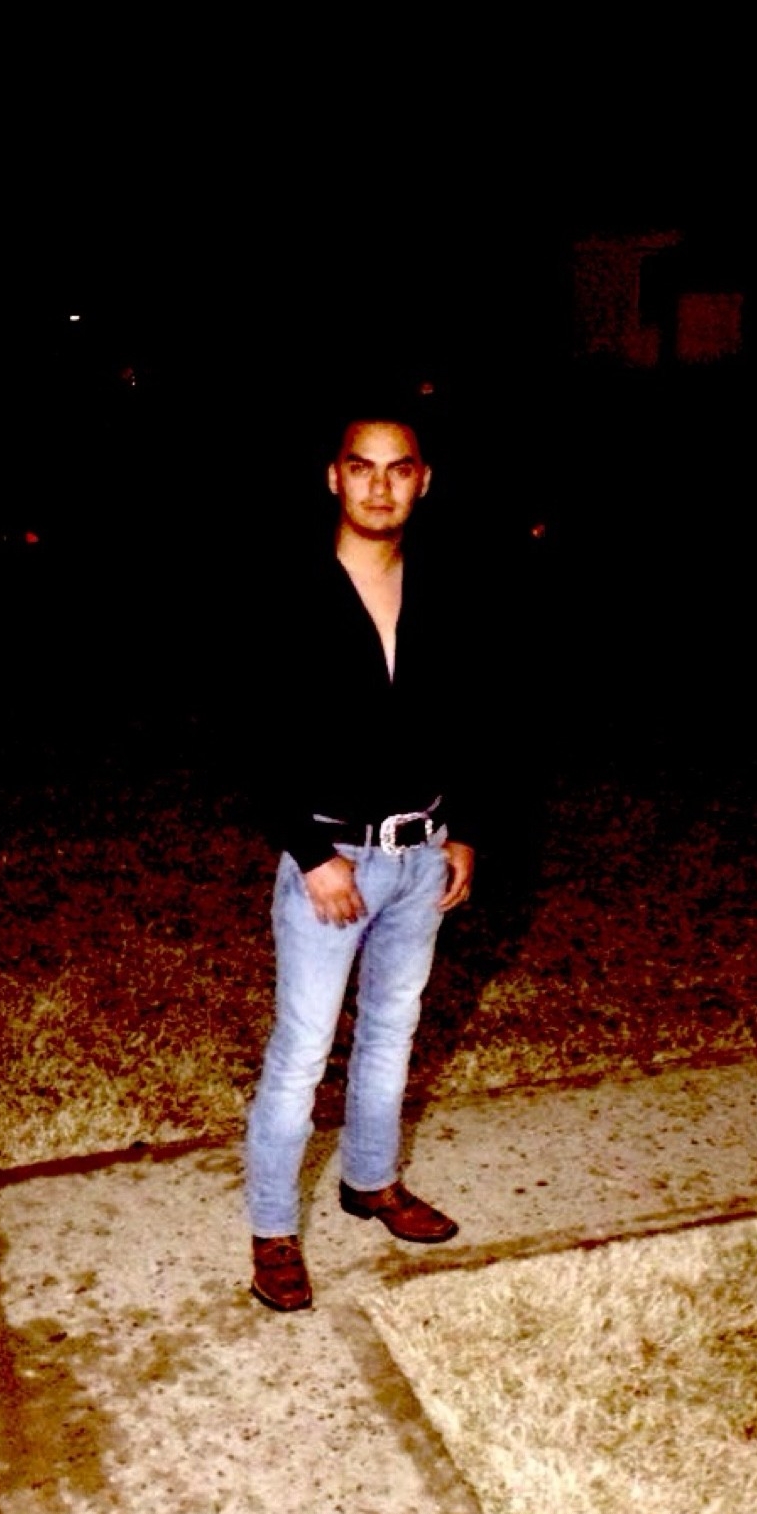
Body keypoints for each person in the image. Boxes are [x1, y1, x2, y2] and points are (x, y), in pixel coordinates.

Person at [245, 414, 475, 1312]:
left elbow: (475, 715)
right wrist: (310, 853)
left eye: (399, 469)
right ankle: (273, 1230)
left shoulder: (445, 586)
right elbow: (252, 736)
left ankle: (370, 1180)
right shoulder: (287, 588)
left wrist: (463, 830)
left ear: (425, 481)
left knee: (392, 1031)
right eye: (362, 467)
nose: (381, 486)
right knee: (303, 1050)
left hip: (421, 857)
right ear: (333, 478)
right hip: (331, 860)